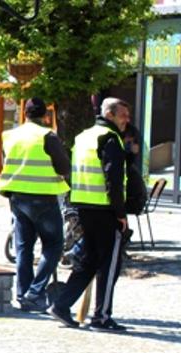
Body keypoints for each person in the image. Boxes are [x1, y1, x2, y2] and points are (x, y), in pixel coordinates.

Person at [48, 97, 132, 331]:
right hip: (105, 209)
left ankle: (61, 305)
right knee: (109, 265)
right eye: (123, 115)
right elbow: (113, 179)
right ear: (110, 114)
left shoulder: (84, 136)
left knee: (88, 261)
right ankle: (101, 317)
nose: (127, 119)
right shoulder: (110, 138)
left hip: (84, 206)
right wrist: (120, 213)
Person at [0, 98, 71, 313]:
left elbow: (6, 162)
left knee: (23, 248)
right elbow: (63, 167)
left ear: (25, 114)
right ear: (45, 116)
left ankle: (23, 295)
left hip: (18, 197)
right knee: (54, 246)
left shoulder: (10, 136)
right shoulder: (47, 136)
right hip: (44, 197)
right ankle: (35, 292)